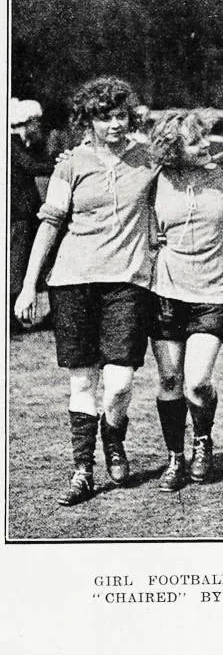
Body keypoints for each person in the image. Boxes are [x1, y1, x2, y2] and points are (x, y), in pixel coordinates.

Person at [14, 77, 157, 506]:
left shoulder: (149, 158)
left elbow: (195, 154)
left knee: (118, 385)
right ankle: (82, 469)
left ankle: (114, 437)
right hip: (72, 282)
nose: (115, 124)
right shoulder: (70, 163)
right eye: (104, 116)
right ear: (87, 120)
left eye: (120, 115)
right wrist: (28, 286)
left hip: (127, 283)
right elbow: (51, 222)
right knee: (83, 381)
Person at [147, 109, 223, 492]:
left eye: (206, 136)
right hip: (166, 292)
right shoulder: (155, 178)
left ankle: (203, 438)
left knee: (197, 381)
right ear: (173, 149)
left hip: (213, 292)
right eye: (195, 141)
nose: (207, 144)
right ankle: (175, 456)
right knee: (170, 378)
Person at [9, 98, 53, 333]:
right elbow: (33, 167)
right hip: (17, 215)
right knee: (15, 265)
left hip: (21, 214)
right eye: (38, 123)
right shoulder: (12, 144)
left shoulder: (18, 144)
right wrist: (63, 164)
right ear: (30, 122)